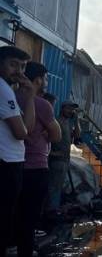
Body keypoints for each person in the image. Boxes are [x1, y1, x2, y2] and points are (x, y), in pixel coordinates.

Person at [14, 62, 61, 257]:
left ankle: (11, 244)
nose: (47, 82)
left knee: (13, 209)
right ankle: (25, 249)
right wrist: (45, 133)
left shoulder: (10, 98)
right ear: (38, 80)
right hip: (36, 167)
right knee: (30, 213)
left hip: (13, 164)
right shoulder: (42, 104)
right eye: (46, 78)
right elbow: (56, 135)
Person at [0, 46, 35, 257]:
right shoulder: (3, 90)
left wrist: (29, 96)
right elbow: (23, 132)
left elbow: (26, 129)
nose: (20, 72)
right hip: (6, 164)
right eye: (13, 65)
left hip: (8, 162)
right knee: (3, 222)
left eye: (23, 67)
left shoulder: (7, 89)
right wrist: (30, 97)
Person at [47, 101, 81, 214]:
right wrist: (52, 153)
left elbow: (77, 135)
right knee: (52, 187)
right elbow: (45, 139)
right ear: (62, 109)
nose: (70, 111)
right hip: (56, 161)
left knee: (58, 187)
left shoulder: (68, 123)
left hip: (65, 160)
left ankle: (53, 210)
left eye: (72, 109)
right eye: (68, 108)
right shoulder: (57, 121)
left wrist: (76, 121)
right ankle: (48, 212)